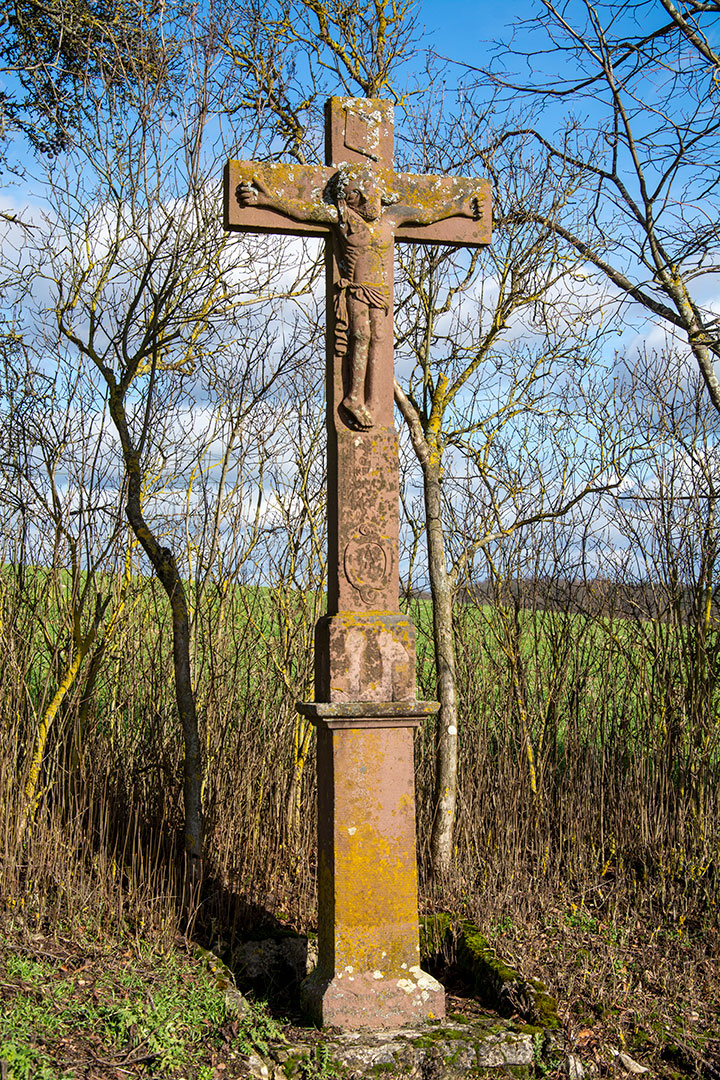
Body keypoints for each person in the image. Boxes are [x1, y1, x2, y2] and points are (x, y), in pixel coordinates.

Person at [237, 164, 480, 430]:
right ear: (345, 199)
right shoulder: (343, 220)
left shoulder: (392, 218)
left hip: (380, 291)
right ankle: (353, 397)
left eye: (368, 190)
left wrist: (459, 207)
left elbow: (427, 215)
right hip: (355, 287)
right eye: (355, 194)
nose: (364, 198)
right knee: (360, 335)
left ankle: (373, 401)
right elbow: (304, 211)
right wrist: (268, 200)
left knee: (379, 337)